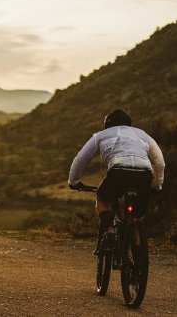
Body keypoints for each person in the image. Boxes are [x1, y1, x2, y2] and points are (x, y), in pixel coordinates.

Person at [68, 109, 165, 255]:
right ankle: (139, 260)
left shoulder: (100, 136)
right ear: (129, 124)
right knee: (135, 217)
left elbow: (81, 159)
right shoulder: (143, 135)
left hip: (119, 172)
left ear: (107, 125)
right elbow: (159, 163)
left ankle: (110, 230)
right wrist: (157, 185)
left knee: (102, 199)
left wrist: (73, 181)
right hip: (144, 174)